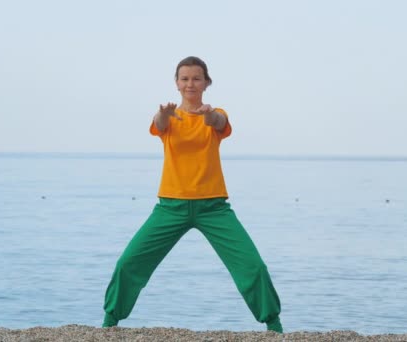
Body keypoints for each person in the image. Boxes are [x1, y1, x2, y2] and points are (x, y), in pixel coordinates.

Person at [102, 56, 283, 333]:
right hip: (170, 207)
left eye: (196, 78)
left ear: (206, 83)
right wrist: (163, 113)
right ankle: (109, 322)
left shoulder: (216, 114)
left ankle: (274, 324)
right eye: (184, 78)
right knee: (129, 263)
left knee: (253, 266)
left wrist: (208, 115)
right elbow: (158, 123)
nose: (190, 83)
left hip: (214, 208)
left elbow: (219, 121)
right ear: (176, 83)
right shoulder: (169, 118)